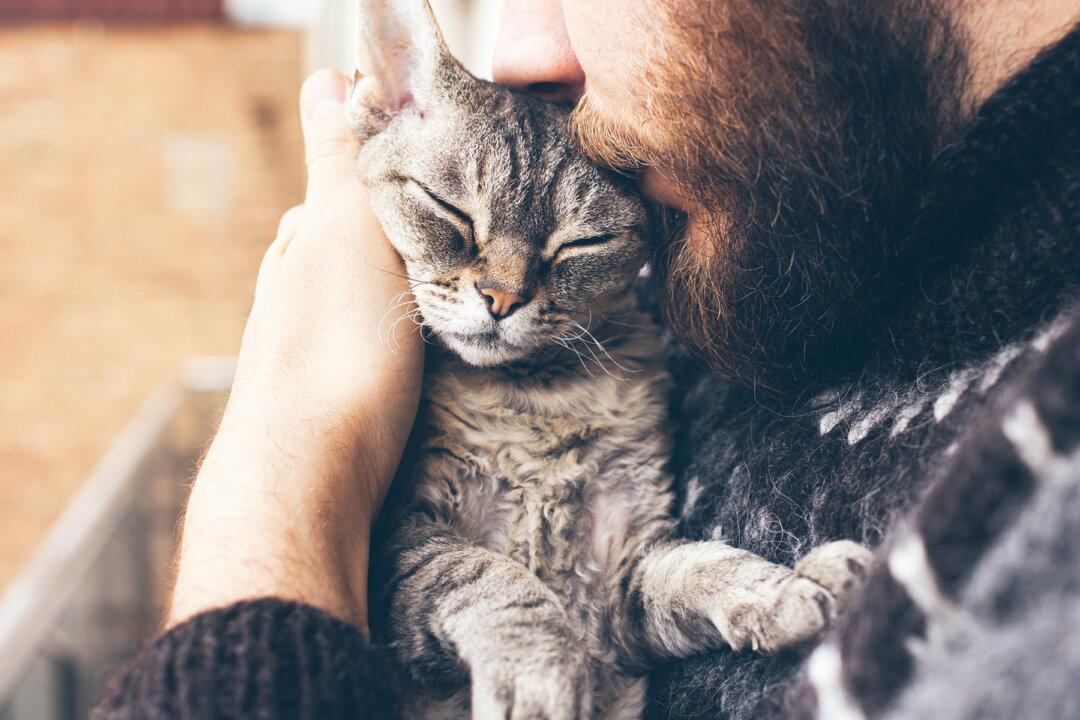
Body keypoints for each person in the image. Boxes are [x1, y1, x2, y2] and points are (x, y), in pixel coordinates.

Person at [93, 1, 1080, 718]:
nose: (522, 52)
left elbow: (619, 582)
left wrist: (272, 477)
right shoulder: (715, 235)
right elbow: (613, 590)